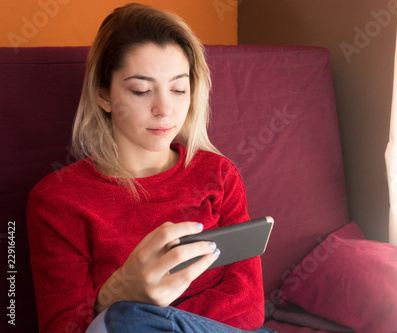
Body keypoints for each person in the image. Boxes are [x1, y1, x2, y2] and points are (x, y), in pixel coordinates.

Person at [27, 3, 276, 333]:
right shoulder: (56, 201)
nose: (164, 109)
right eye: (141, 90)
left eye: (178, 89)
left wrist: (156, 318)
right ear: (103, 94)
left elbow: (249, 309)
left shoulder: (219, 174)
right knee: (125, 320)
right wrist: (118, 294)